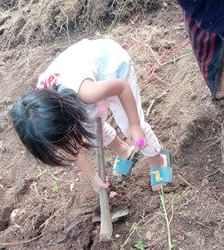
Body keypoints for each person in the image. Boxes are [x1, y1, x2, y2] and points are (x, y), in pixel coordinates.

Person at [10, 38, 173, 192]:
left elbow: (121, 87)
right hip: (85, 84)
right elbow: (72, 146)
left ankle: (158, 160)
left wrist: (135, 124)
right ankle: (124, 151)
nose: (68, 143)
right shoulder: (47, 115)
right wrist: (93, 178)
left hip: (113, 69)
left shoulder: (86, 93)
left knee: (131, 129)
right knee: (93, 130)